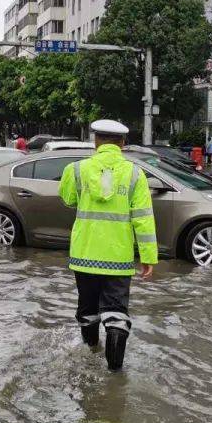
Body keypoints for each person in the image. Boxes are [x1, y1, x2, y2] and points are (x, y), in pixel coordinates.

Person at [58, 119, 156, 371]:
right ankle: (114, 373)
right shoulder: (136, 173)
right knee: (117, 313)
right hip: (119, 258)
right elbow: (144, 219)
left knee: (88, 308)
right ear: (123, 143)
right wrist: (148, 257)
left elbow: (67, 199)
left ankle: (91, 353)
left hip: (84, 255)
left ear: (95, 141)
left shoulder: (76, 169)